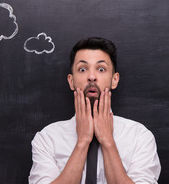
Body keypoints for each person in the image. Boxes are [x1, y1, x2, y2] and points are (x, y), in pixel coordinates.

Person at [28, 37, 161, 184]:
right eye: (83, 69)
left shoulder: (139, 137)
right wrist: (83, 141)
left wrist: (107, 141)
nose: (91, 77)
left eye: (101, 69)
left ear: (114, 80)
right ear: (71, 81)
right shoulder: (47, 138)